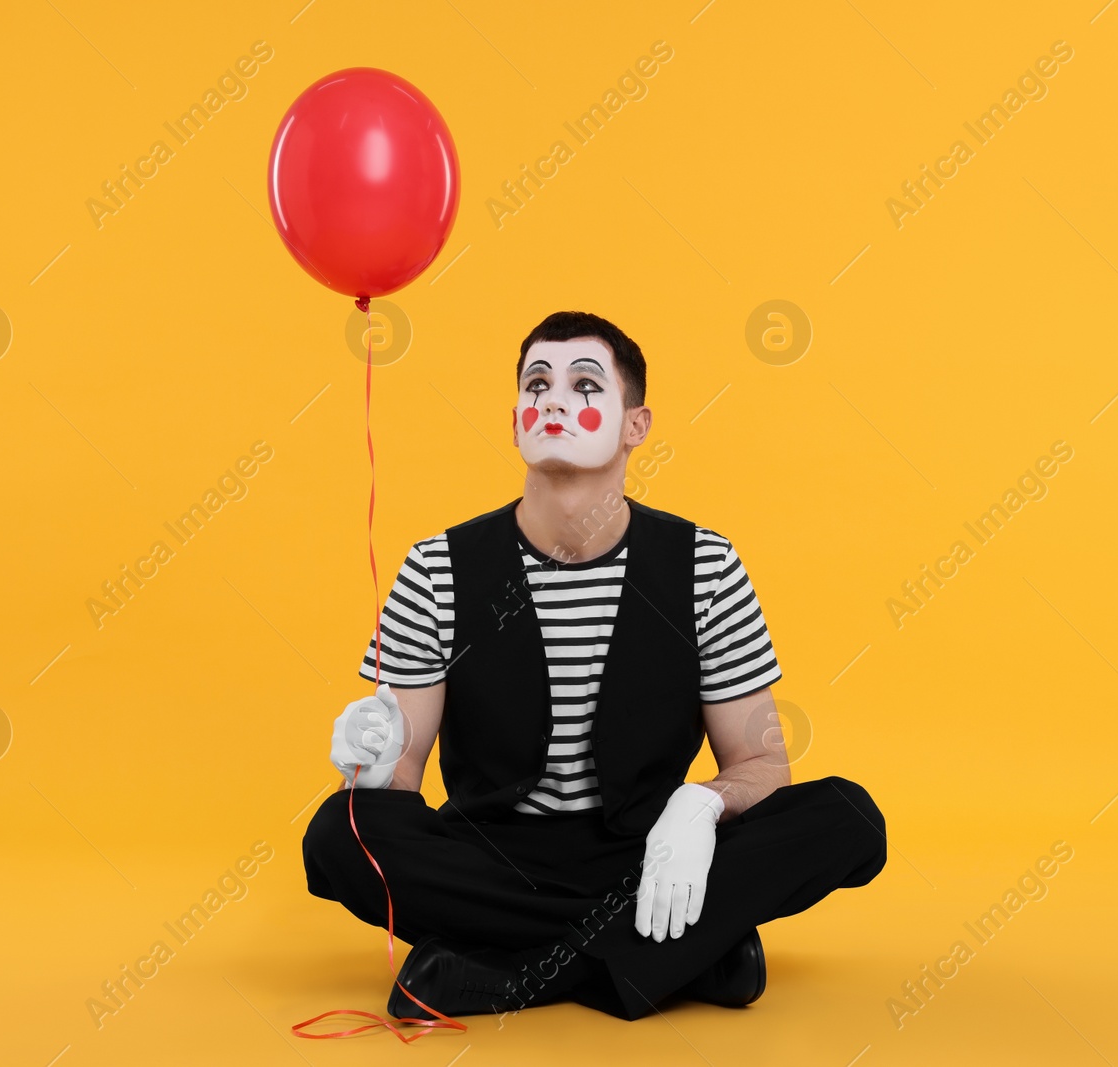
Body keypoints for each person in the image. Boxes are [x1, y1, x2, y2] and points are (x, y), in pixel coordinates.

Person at [303, 310, 887, 1022]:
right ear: (516, 421)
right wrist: (366, 764)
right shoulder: (436, 569)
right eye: (536, 383)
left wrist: (699, 804)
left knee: (848, 816)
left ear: (635, 426)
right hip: (492, 860)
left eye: (584, 384)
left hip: (651, 856)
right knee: (341, 829)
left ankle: (509, 973)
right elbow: (399, 781)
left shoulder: (705, 565)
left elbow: (761, 767)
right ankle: (682, 956)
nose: (552, 398)